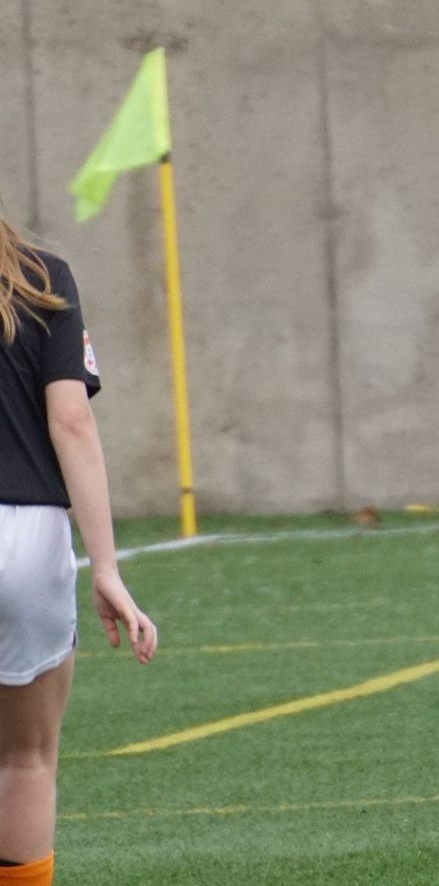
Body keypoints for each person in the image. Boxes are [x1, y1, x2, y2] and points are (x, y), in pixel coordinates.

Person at [0, 216, 157, 885]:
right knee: (26, 758)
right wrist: (109, 570)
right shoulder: (40, 277)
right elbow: (72, 422)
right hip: (28, 537)